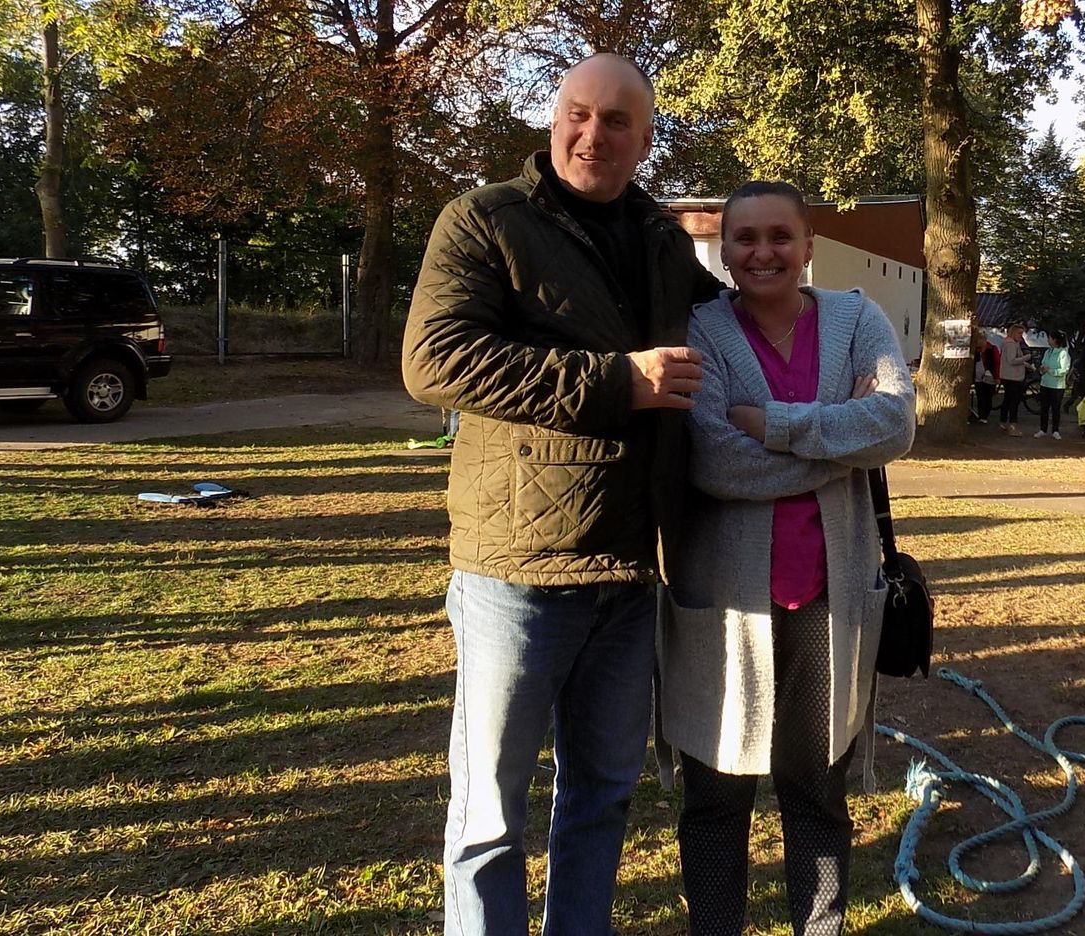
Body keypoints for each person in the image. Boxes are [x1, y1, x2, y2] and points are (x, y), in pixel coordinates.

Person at [401, 53, 725, 935]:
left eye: (617, 120)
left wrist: (831, 320)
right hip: (517, 571)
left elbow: (736, 325)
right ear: (552, 122)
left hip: (630, 569)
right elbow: (434, 361)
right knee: (490, 814)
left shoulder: (661, 240)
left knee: (602, 797)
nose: (593, 134)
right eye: (578, 114)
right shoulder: (484, 220)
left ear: (645, 138)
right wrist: (618, 381)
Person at [657, 180, 915, 936]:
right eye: (745, 238)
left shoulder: (858, 319)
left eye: (780, 236)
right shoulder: (701, 331)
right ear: (724, 249)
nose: (762, 252)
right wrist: (839, 437)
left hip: (828, 600)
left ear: (808, 247)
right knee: (715, 796)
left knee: (816, 791)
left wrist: (768, 423)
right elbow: (714, 460)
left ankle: (820, 929)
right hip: (725, 605)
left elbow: (895, 425)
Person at [1035, 330, 1070, 439]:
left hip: (1057, 386)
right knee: (1044, 408)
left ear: (1055, 340)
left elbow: (1064, 370)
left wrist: (1050, 370)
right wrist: (1042, 369)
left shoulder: (1063, 353)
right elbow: (1043, 364)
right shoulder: (1047, 352)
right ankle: (1043, 429)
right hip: (1045, 384)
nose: (1048, 340)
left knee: (1055, 409)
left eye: (1049, 338)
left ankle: (1055, 430)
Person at [997, 323, 1030, 436]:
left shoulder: (1008, 343)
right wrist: (1026, 358)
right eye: (1019, 333)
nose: (1021, 336)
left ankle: (1003, 422)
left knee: (1007, 400)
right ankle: (1012, 425)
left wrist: (1025, 364)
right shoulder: (1011, 344)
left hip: (1008, 376)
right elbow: (1012, 360)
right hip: (1013, 377)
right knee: (1014, 401)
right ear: (1013, 333)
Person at [972, 333, 999, 423]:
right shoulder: (975, 350)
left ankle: (985, 414)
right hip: (978, 377)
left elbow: (997, 363)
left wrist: (997, 376)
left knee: (988, 397)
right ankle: (981, 416)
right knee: (980, 396)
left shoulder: (992, 349)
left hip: (989, 376)